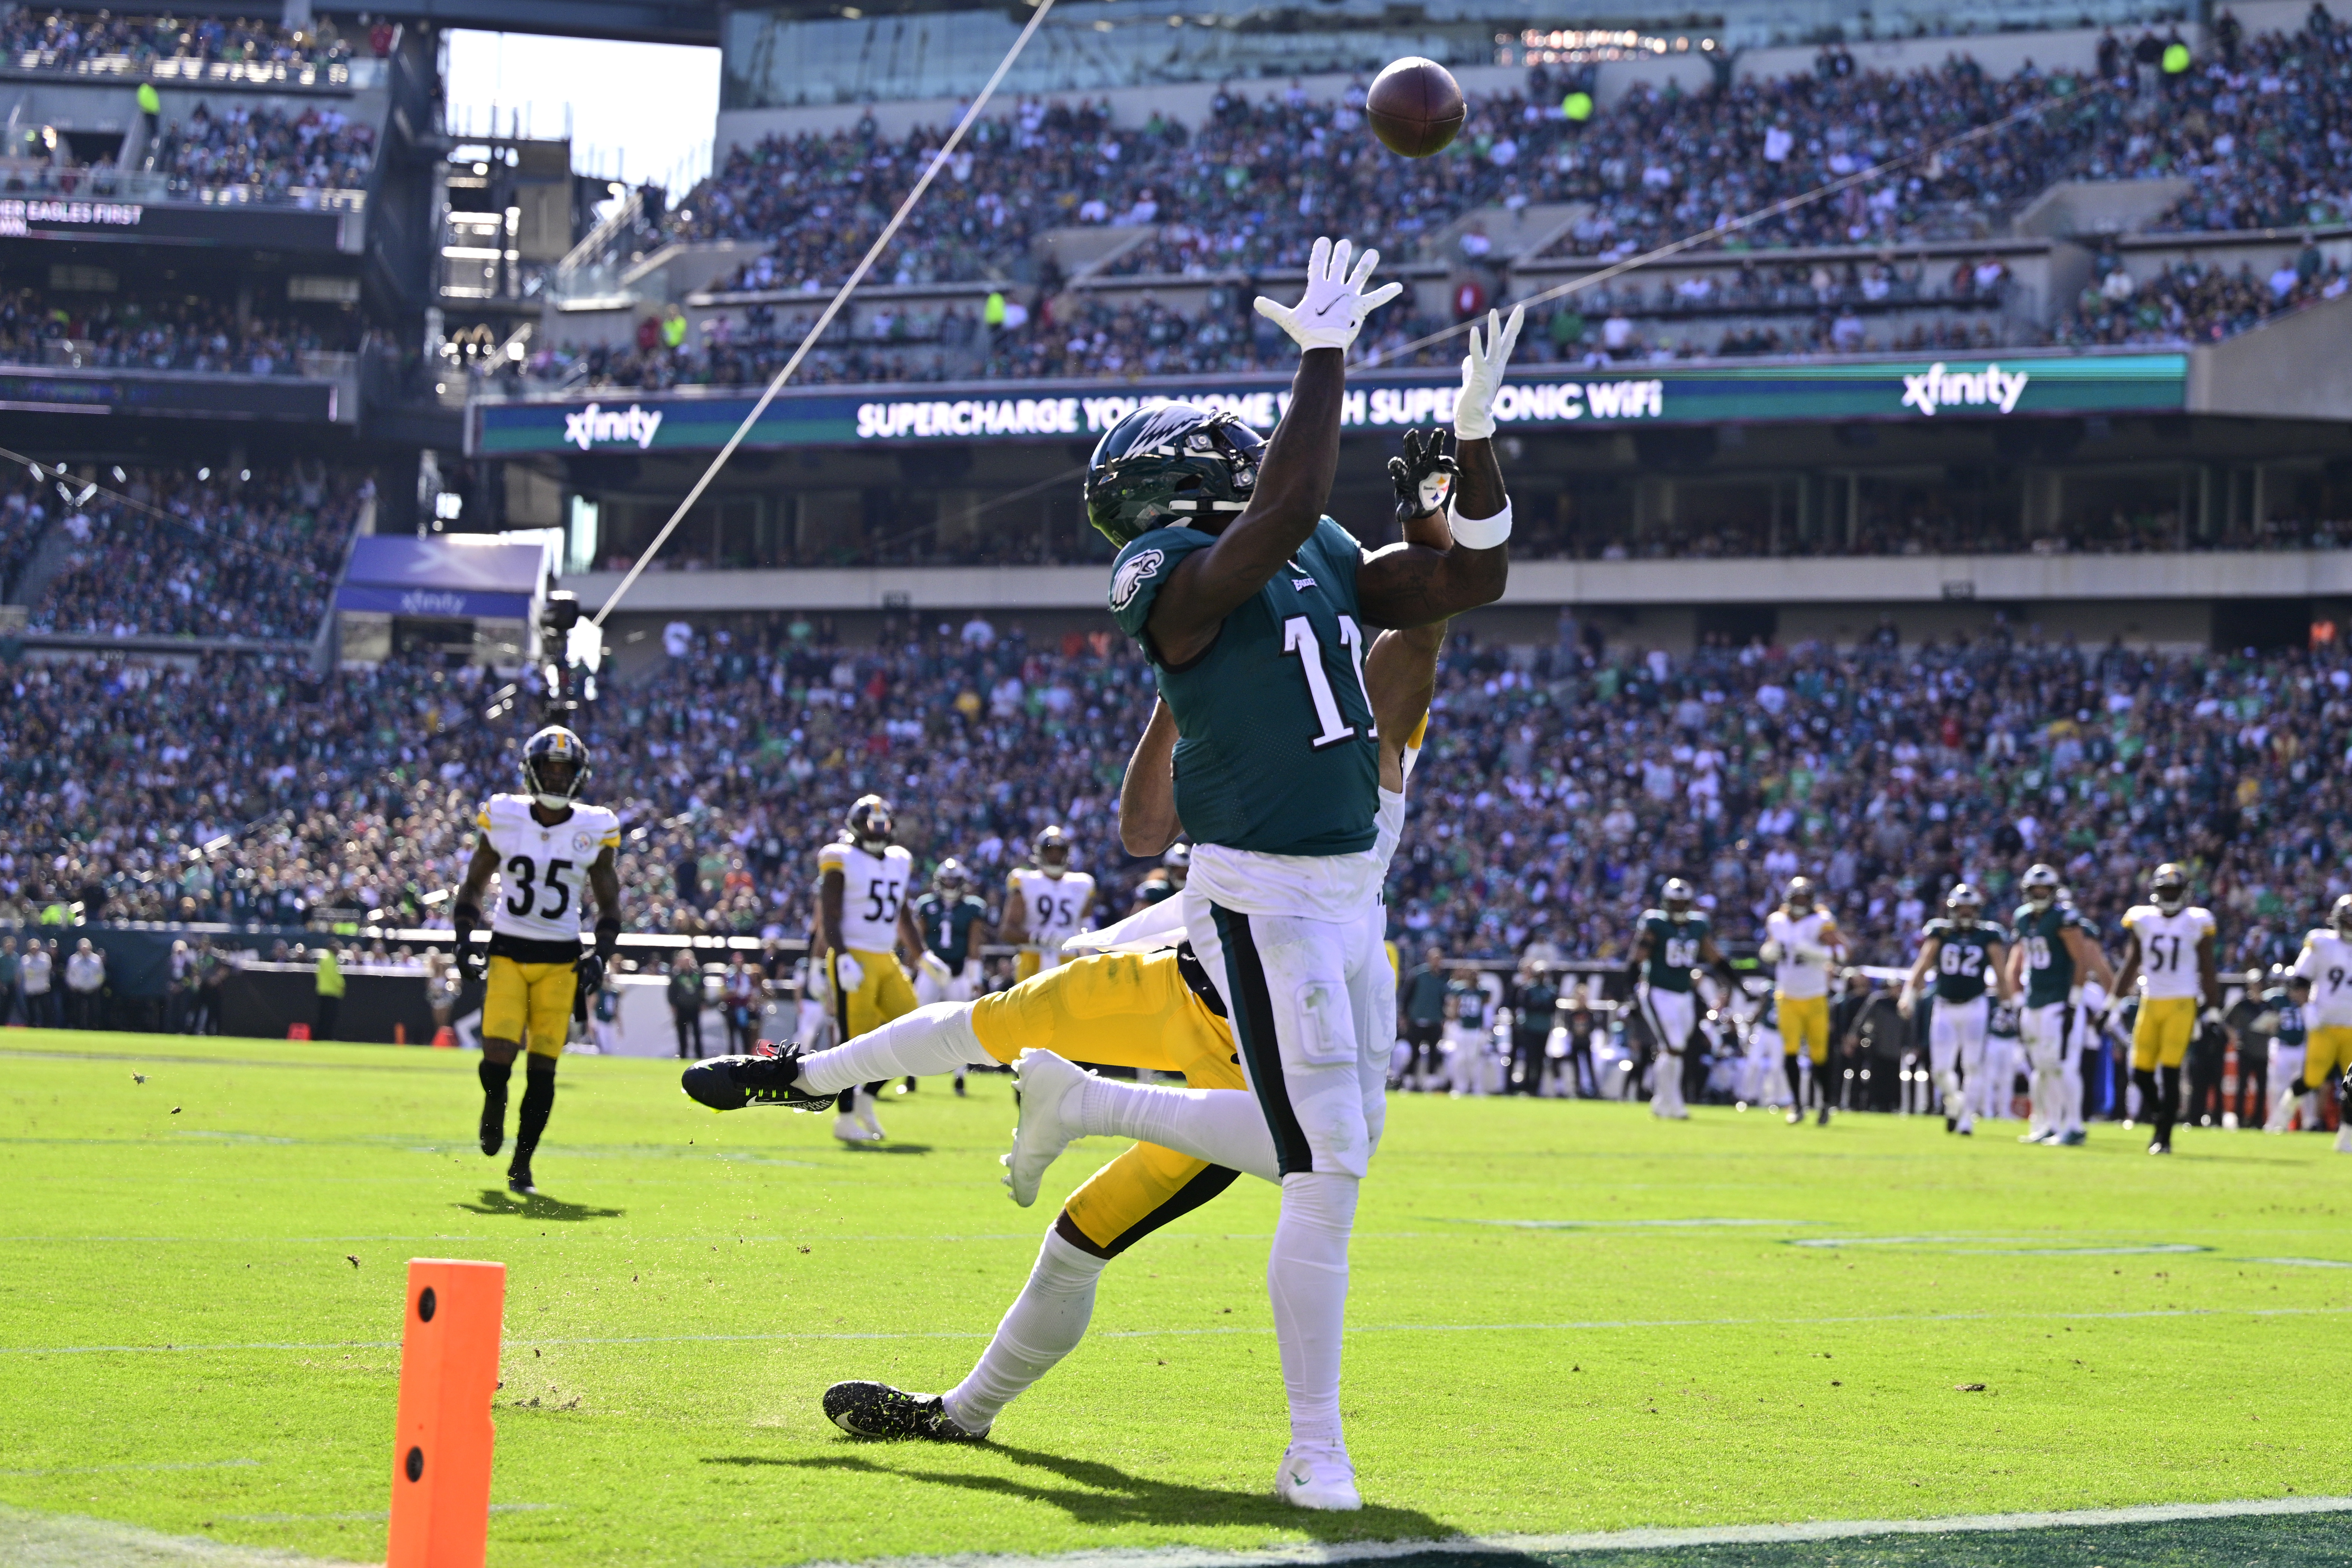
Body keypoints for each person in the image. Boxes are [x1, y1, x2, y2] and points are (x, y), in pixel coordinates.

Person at [681, 414, 1472, 1508]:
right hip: (1200, 977)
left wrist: (1430, 527)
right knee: (1010, 1045)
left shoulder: (1360, 735)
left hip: (1272, 1011)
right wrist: (1183, 685)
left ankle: (1072, 1123)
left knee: (1165, 1189)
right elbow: (1143, 829)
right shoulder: (1243, 694)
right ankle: (812, 1092)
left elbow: (1415, 645)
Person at [451, 724, 623, 1196]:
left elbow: (610, 906)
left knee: (543, 1068)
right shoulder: (505, 816)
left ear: (578, 775)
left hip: (561, 957)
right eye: (547, 766)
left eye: (562, 768)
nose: (553, 775)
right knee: (498, 1056)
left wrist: (600, 956)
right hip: (508, 947)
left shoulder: (594, 826)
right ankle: (494, 1100)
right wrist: (463, 937)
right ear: (530, 770)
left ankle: (522, 1164)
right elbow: (473, 884)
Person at [816, 794, 915, 1144]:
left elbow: (902, 910)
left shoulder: (900, 861)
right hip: (854, 955)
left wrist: (923, 954)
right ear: (855, 828)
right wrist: (840, 955)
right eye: (871, 824)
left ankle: (867, 1096)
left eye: (882, 824)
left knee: (915, 1035)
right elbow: (829, 914)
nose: (877, 830)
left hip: (885, 956)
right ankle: (843, 1118)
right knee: (850, 1045)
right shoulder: (840, 858)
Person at [2106, 862, 2223, 1156]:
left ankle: (2164, 1136)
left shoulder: (2196, 921)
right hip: (2151, 999)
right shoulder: (2143, 919)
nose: (2170, 894)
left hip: (2182, 1002)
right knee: (2140, 1072)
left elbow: (2207, 969)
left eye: (2174, 889)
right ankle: (2161, 1115)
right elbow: (2132, 962)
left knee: (2171, 1072)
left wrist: (2212, 1011)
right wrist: (2111, 1002)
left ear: (2184, 892)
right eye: (2165, 889)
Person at [2006, 863, 2115, 1147]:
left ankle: (2074, 1125)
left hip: (2059, 1001)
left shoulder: (2064, 918)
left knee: (2064, 1066)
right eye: (2035, 889)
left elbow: (2081, 960)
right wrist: (2019, 1000)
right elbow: (2016, 964)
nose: (2040, 894)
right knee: (2041, 1068)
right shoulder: (2022, 918)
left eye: (2045, 889)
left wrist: (2073, 1001)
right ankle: (2049, 1124)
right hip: (2035, 1001)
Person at [1899, 884, 2012, 1136]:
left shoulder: (1988, 936)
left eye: (1969, 908)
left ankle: (1965, 1120)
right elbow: (1923, 963)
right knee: (1940, 1070)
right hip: (1944, 1005)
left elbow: (2002, 976)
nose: (1964, 913)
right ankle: (1955, 1101)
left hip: (1975, 1005)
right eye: (1960, 908)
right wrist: (1909, 994)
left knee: (1973, 1065)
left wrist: (2006, 1005)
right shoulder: (1940, 932)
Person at [1625, 877, 1731, 1120]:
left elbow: (1715, 957)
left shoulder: (1698, 925)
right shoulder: (1654, 923)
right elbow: (1636, 958)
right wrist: (1630, 993)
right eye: (1675, 903)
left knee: (1674, 1049)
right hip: (1658, 990)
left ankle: (1662, 1101)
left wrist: (1737, 984)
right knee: (1673, 1047)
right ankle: (1674, 1103)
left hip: (1683, 994)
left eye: (1683, 903)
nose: (1679, 908)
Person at [1762, 876, 1845, 1125]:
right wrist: (1768, 951)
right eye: (1796, 898)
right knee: (1789, 1052)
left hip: (1814, 995)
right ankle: (1796, 1105)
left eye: (1803, 899)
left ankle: (1825, 1104)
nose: (1799, 903)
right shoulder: (1776, 921)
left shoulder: (1821, 921)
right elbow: (1770, 946)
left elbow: (1842, 953)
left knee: (1819, 1055)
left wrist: (1816, 953)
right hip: (1786, 995)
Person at [906, 858, 992, 1096]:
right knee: (915, 1022)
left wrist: (975, 979)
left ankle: (959, 1077)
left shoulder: (973, 907)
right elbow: (917, 941)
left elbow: (975, 946)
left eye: (955, 881)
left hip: (958, 970)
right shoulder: (926, 904)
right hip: (931, 970)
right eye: (947, 880)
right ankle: (911, 1076)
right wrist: (909, 971)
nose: (951, 885)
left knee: (961, 1026)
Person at [2286, 897, 2352, 1151]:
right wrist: (2307, 1009)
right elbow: (2299, 980)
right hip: (2324, 1023)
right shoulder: (2321, 942)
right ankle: (2281, 1116)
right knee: (2312, 1079)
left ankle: (2346, 1136)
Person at [1000, 826, 1096, 981]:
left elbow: (1087, 928)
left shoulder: (1082, 884)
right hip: (1033, 958)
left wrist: (1092, 961)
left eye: (1060, 851)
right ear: (1040, 853)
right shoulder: (1025, 881)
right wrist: (1038, 938)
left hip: (1068, 958)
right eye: (1050, 851)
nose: (1055, 856)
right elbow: (1007, 931)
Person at [2264, 973, 2315, 1133]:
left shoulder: (2310, 1001)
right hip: (2282, 1047)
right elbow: (2261, 1005)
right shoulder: (2276, 998)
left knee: (2307, 1087)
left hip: (2302, 1047)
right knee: (2277, 1088)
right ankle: (2275, 1123)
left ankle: (2310, 1122)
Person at [1399, 945, 1448, 1091]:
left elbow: (1443, 1000)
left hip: (1434, 1020)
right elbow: (1406, 997)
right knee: (1414, 1052)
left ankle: (1430, 1081)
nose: (1437, 962)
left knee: (1434, 1052)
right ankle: (1408, 1080)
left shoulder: (1442, 978)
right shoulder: (1418, 974)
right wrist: (1404, 1016)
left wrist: (1443, 1019)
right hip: (1417, 1019)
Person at [1509, 964, 1559, 1094]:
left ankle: (1537, 1086)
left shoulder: (1551, 990)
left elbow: (1551, 1008)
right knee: (1529, 1057)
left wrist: (1537, 1005)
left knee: (1541, 1058)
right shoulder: (1528, 989)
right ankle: (1526, 1085)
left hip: (1543, 1028)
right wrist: (1540, 1006)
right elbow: (1527, 1005)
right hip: (1530, 1028)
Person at [721, 951, 763, 1056]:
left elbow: (752, 991)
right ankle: (731, 1057)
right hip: (732, 1008)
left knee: (745, 1035)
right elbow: (724, 993)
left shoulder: (747, 976)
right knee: (731, 1036)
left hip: (744, 1008)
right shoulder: (728, 976)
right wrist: (735, 992)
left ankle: (746, 1056)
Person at [668, 950, 707, 1060]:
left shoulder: (697, 975)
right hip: (682, 1009)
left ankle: (699, 1055)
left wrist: (703, 1002)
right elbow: (672, 992)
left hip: (694, 1008)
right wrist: (673, 1005)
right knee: (682, 1033)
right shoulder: (677, 976)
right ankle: (683, 1055)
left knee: (697, 1033)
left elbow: (702, 990)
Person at [63, 938, 105, 1031]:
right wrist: (73, 985)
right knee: (78, 1010)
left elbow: (101, 974)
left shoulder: (96, 959)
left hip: (92, 989)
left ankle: (93, 1027)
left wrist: (97, 985)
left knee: (93, 1010)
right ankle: (78, 1027)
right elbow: (70, 974)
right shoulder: (74, 960)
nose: (85, 950)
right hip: (78, 990)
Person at [314, 944, 345, 1042]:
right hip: (332, 992)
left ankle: (320, 1036)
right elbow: (334, 976)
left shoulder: (323, 958)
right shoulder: (331, 960)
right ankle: (327, 1037)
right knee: (330, 1017)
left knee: (323, 1016)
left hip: (323, 991)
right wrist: (342, 985)